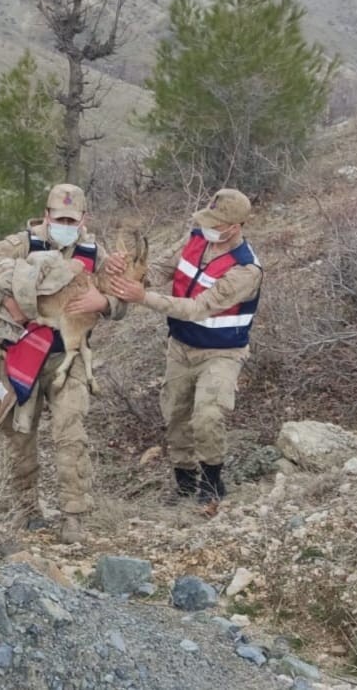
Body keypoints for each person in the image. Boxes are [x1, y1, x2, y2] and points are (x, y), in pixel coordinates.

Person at [0, 184, 126, 543]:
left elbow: (122, 301)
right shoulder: (23, 243)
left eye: (72, 219)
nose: (66, 223)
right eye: (59, 217)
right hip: (21, 356)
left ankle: (73, 515)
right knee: (20, 435)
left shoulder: (95, 253)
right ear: (47, 215)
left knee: (71, 431)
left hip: (67, 358)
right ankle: (26, 509)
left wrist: (104, 303)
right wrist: (5, 299)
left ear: (83, 219)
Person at [109, 188, 262, 504]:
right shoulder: (194, 238)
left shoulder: (245, 270)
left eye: (217, 224)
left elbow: (197, 308)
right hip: (180, 346)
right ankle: (184, 483)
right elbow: (163, 269)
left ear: (236, 226)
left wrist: (143, 298)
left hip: (221, 353)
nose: (209, 228)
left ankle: (211, 484)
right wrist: (133, 275)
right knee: (176, 415)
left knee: (207, 415)